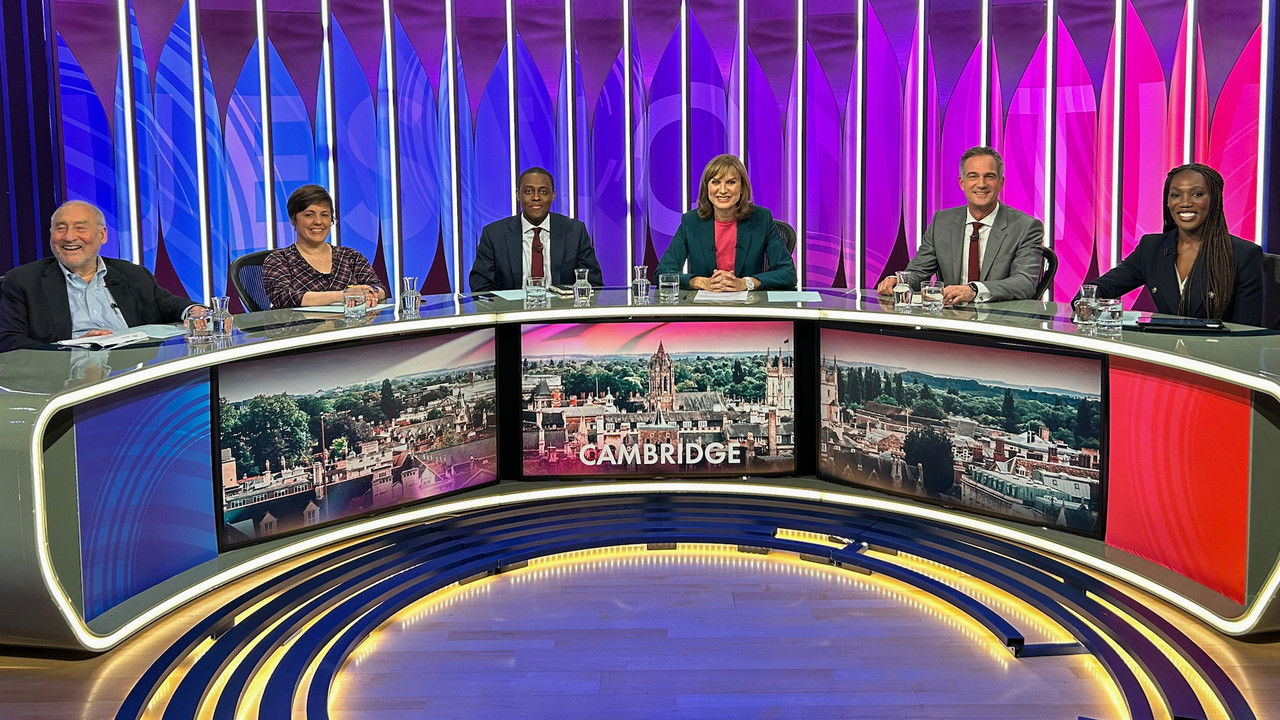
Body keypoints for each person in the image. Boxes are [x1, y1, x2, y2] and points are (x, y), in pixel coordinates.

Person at [0, 201, 196, 352]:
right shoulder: (23, 281)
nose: (69, 237)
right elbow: (8, 340)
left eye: (80, 228)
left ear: (102, 235)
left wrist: (193, 310)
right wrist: (72, 348)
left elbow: (168, 304)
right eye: (60, 228)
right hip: (68, 376)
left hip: (133, 369)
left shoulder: (131, 273)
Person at [1088, 163, 1262, 326]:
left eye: (1197, 194)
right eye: (1175, 195)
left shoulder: (1243, 254)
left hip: (1218, 348)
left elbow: (1247, 331)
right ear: (1168, 202)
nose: (1185, 203)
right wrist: (1085, 304)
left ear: (1215, 200)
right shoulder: (1151, 248)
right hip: (1164, 347)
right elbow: (1097, 290)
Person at [875, 146, 1043, 305]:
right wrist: (899, 281)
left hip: (1000, 319)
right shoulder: (941, 222)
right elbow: (919, 272)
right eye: (973, 176)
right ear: (962, 183)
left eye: (989, 176)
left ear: (1001, 182)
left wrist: (974, 290)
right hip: (950, 317)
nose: (981, 184)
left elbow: (1025, 282)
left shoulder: (1025, 227)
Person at [656, 154, 796, 291]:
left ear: (742, 188)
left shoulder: (762, 219)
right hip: (704, 304)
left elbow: (788, 274)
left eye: (731, 182)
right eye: (715, 182)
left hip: (749, 303)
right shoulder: (691, 222)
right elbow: (662, 273)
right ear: (707, 187)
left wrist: (746, 283)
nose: (722, 190)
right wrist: (699, 282)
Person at [469, 167, 603, 292]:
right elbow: (481, 286)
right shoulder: (494, 234)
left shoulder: (575, 231)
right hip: (513, 309)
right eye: (528, 191)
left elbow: (593, 283)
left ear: (553, 195)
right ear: (518, 195)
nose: (536, 197)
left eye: (543, 192)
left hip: (562, 309)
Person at [261, 185, 386, 308]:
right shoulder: (279, 260)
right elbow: (283, 297)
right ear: (293, 220)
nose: (318, 221)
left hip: (348, 322)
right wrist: (342, 296)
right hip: (299, 322)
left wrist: (370, 293)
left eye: (325, 215)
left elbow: (379, 288)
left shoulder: (350, 256)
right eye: (309, 215)